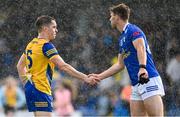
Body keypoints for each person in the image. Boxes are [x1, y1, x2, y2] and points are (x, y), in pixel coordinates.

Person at [89, 3, 165, 116]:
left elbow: (141, 48)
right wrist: (99, 76)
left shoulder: (133, 30)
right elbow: (119, 65)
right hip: (135, 84)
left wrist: (142, 68)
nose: (110, 19)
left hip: (148, 79)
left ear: (117, 17)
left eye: (111, 16)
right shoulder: (122, 38)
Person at [16, 15, 99, 117]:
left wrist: (26, 83)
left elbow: (20, 66)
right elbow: (63, 66)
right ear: (45, 29)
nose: (57, 30)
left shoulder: (31, 44)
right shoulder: (46, 46)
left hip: (32, 89)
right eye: (54, 27)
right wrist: (85, 77)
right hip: (40, 89)